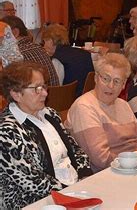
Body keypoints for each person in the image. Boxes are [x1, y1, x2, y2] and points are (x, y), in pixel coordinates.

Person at [0, 62, 92, 208]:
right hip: (35, 202)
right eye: (37, 88)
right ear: (16, 94)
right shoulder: (6, 131)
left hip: (72, 189)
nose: (45, 93)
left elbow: (75, 149)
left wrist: (85, 175)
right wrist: (71, 193)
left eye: (43, 86)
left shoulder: (50, 114)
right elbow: (33, 181)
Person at [66, 53, 137, 172]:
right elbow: (101, 160)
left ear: (123, 85)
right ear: (96, 78)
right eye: (105, 79)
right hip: (108, 173)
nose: (110, 86)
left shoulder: (123, 105)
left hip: (135, 166)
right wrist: (134, 163)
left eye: (117, 81)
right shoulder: (84, 107)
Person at [1, 15, 60, 86]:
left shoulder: (16, 55)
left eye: (2, 36)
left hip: (38, 94)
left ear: (15, 32)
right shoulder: (39, 48)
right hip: (55, 95)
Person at [41, 23, 94, 96]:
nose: (44, 46)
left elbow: (56, 88)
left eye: (45, 41)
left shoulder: (57, 60)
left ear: (51, 41)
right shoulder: (86, 54)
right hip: (88, 97)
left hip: (67, 101)